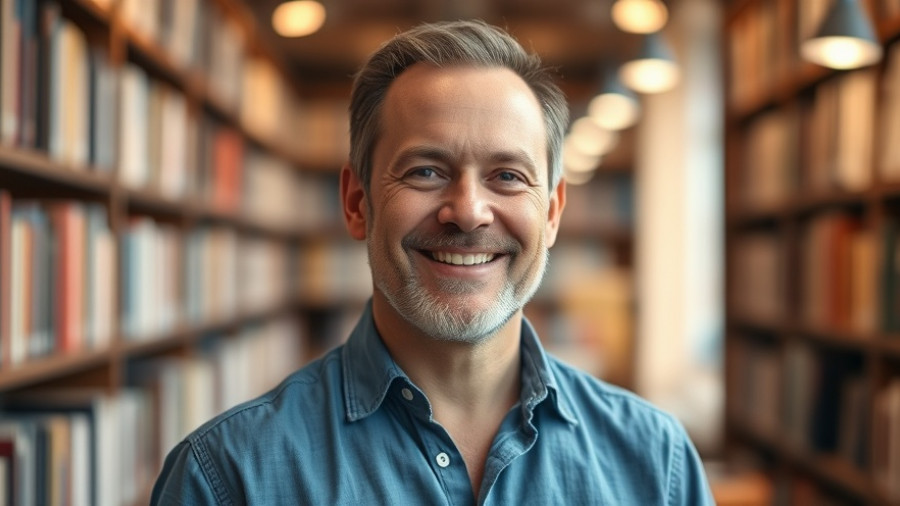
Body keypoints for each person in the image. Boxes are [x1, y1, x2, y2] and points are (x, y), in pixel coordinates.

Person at [152, 20, 715, 505]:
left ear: (552, 213)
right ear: (357, 204)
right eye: (426, 170)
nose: (468, 212)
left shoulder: (656, 466)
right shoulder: (225, 479)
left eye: (507, 176)